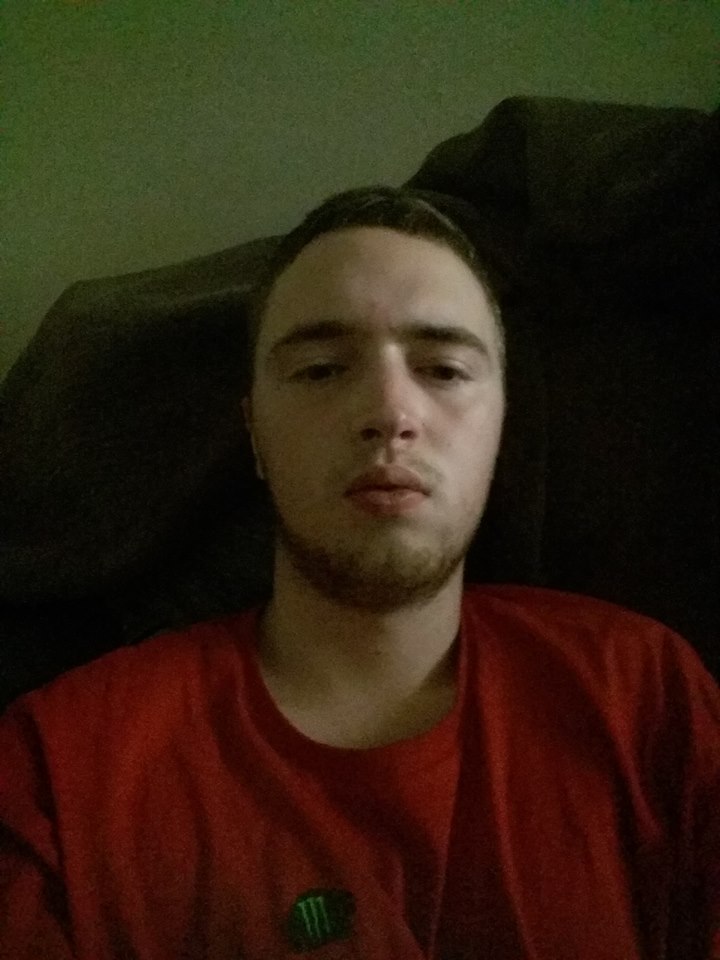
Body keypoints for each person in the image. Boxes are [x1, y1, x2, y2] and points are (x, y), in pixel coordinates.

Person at [1, 186, 718, 960]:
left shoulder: (645, 698)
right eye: (319, 370)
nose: (389, 412)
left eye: (444, 370)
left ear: (502, 427)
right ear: (254, 434)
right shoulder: (59, 772)